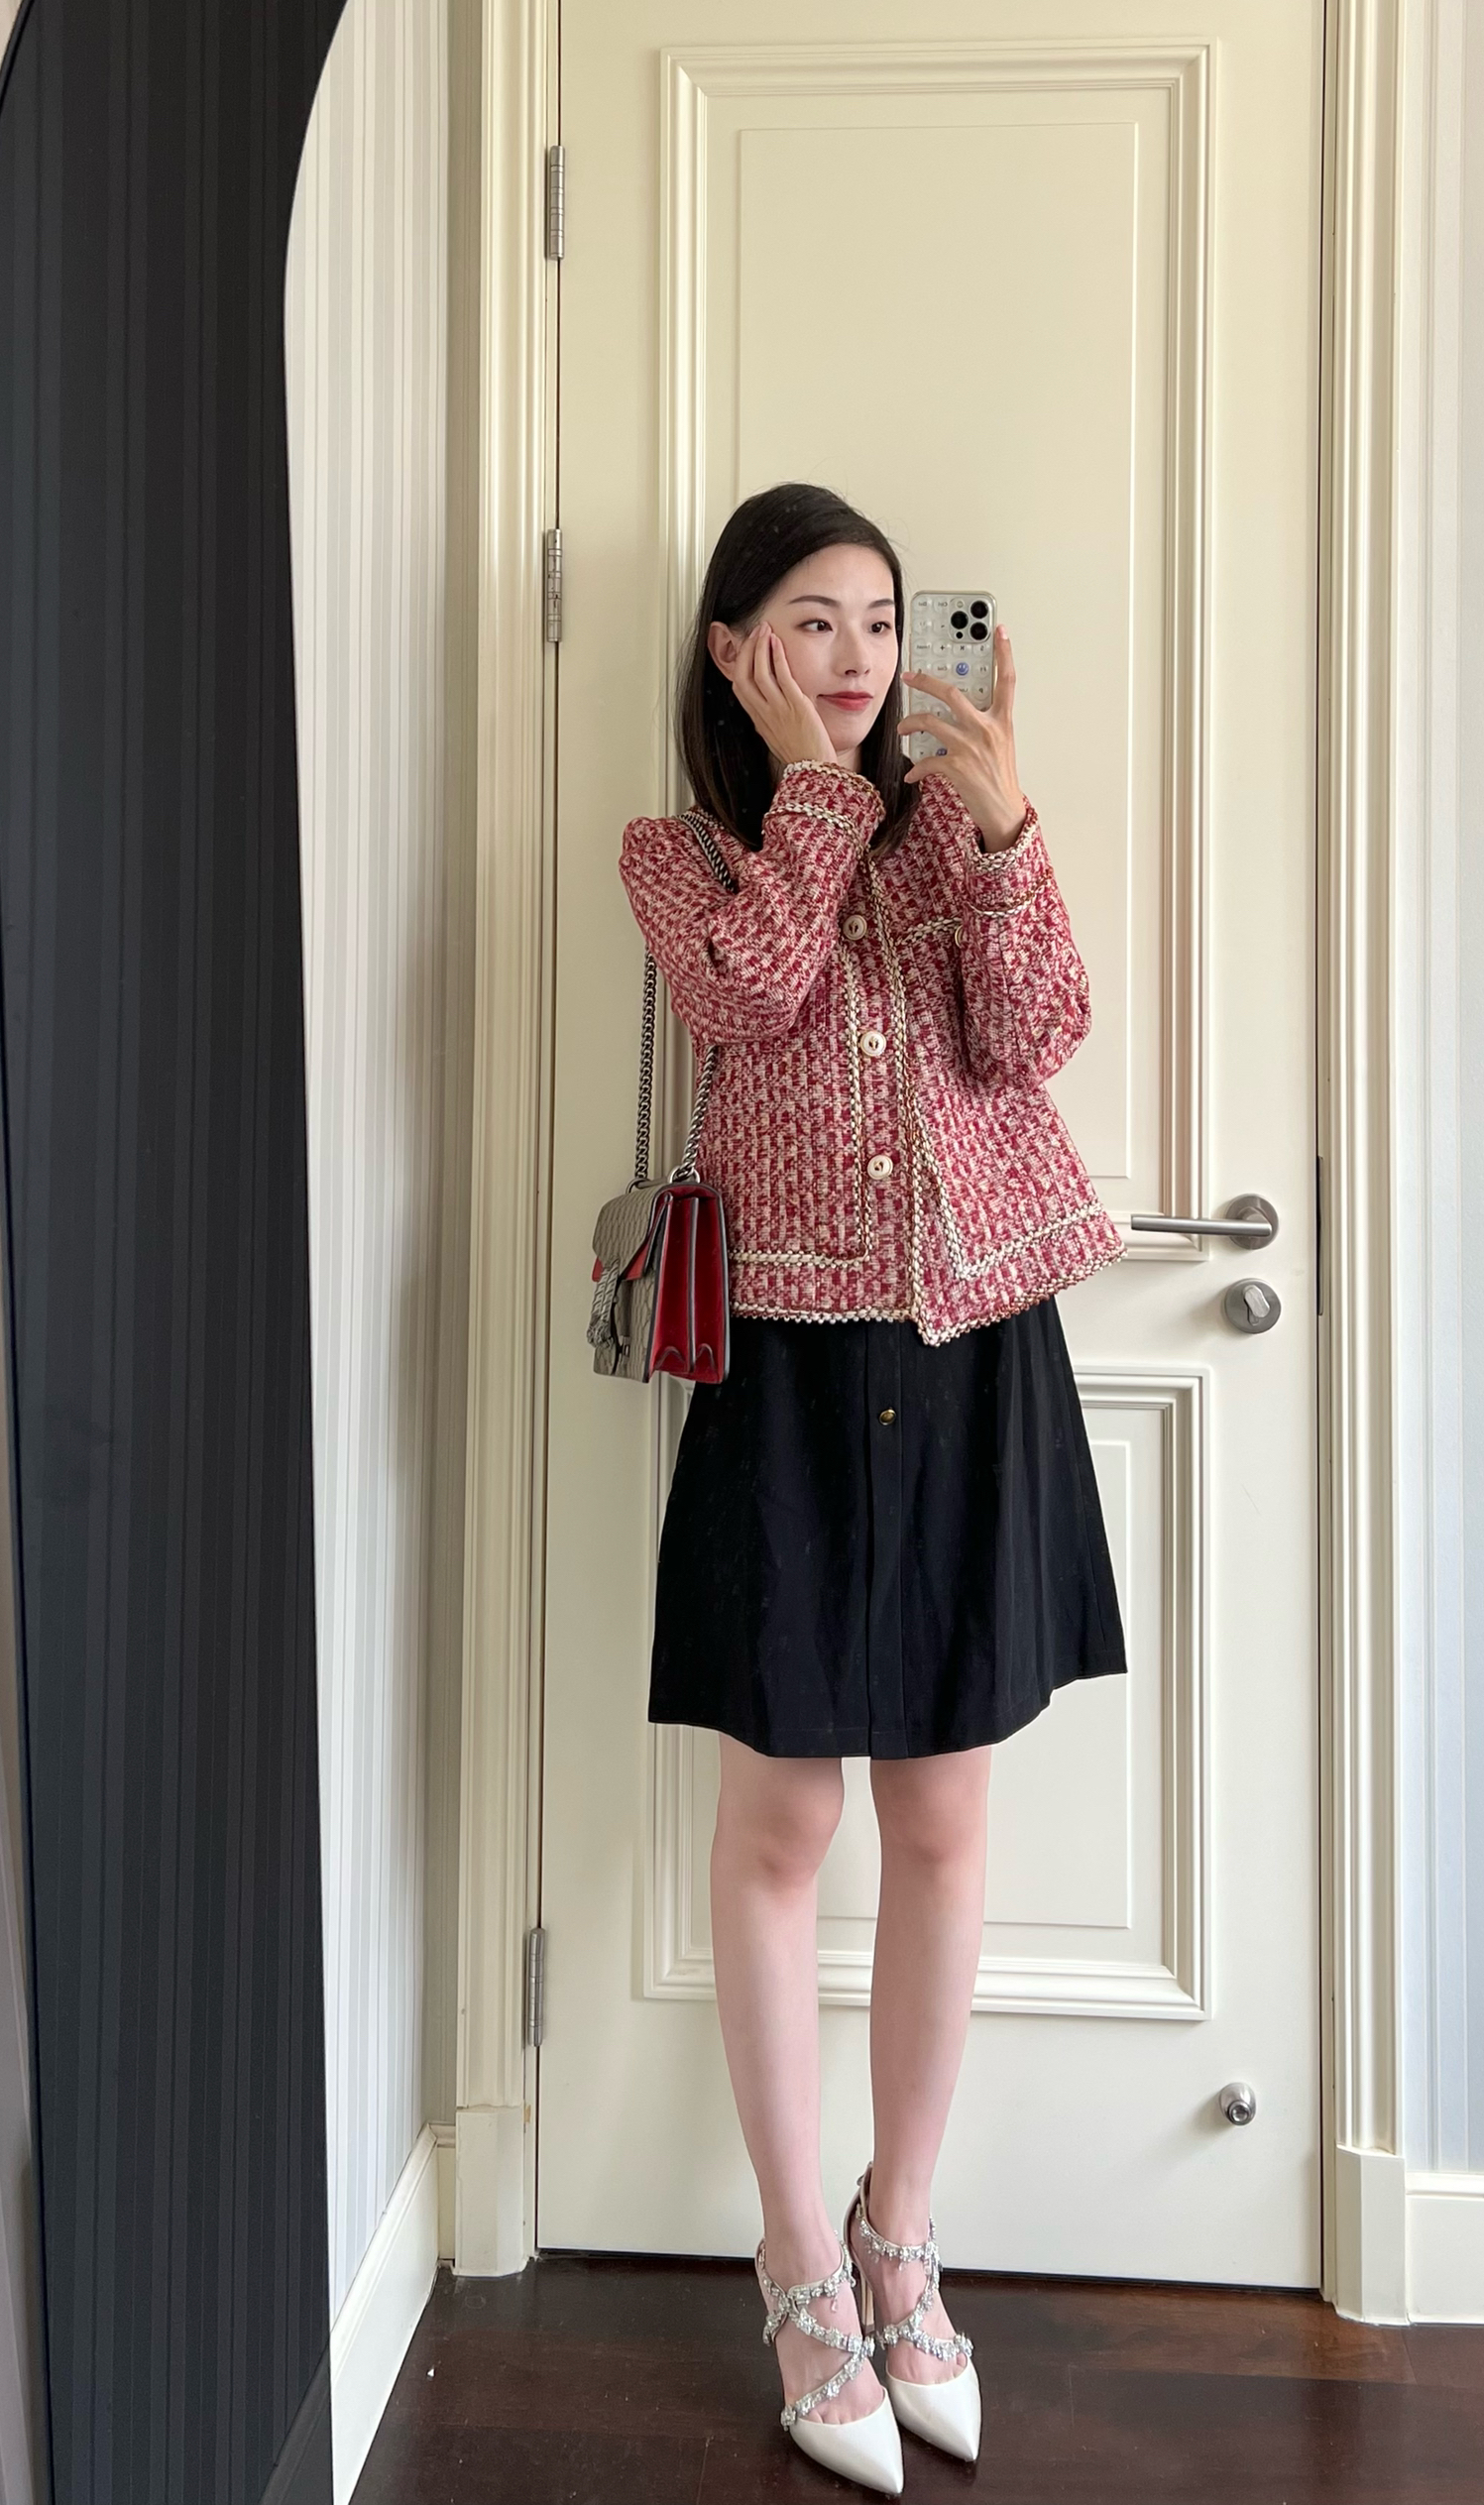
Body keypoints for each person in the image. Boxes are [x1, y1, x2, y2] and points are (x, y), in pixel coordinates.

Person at [619, 481, 1126, 2492]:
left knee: (942, 1819)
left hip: (976, 1351)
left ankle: (901, 2240)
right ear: (734, 645)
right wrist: (818, 794)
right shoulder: (681, 855)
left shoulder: (951, 837)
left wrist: (999, 830)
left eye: (883, 622)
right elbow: (749, 996)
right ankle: (794, 2263)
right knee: (779, 1822)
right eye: (812, 621)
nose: (855, 655)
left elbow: (1042, 1032)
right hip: (786, 1371)